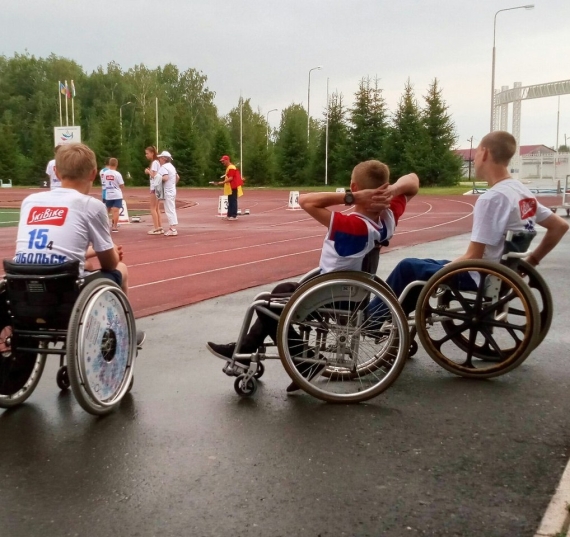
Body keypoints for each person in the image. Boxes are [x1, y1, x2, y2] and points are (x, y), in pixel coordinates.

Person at [207, 160, 419, 391]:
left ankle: (303, 358)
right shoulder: (387, 219)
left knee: (265, 305)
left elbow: (305, 200)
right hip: (351, 293)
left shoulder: (352, 226)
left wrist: (352, 198)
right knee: (281, 291)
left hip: (332, 297)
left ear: (354, 186)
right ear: (385, 186)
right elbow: (413, 180)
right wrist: (392, 191)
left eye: (352, 190)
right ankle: (245, 349)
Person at [378, 130, 569, 317]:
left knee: (408, 267)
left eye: (476, 152)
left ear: (484, 152)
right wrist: (531, 262)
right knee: (424, 266)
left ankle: (373, 319)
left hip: (481, 276)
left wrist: (440, 274)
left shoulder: (492, 199)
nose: (475, 158)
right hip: (501, 273)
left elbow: (473, 256)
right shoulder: (522, 192)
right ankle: (393, 321)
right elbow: (559, 226)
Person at [13, 143, 144, 344]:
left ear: (55, 172)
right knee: (121, 268)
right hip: (66, 292)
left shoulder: (30, 201)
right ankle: (123, 332)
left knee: (89, 265)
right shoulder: (91, 206)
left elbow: (54, 249)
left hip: (23, 286)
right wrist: (114, 255)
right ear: (93, 174)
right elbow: (109, 264)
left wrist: (89, 253)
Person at [157, 150, 179, 236]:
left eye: (160, 158)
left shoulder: (164, 167)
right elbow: (177, 177)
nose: (159, 159)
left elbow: (165, 178)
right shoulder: (172, 167)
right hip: (172, 189)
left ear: (164, 159)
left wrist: (157, 178)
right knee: (171, 208)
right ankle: (173, 227)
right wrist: (173, 185)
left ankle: (172, 229)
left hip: (168, 190)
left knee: (169, 209)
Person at [216, 155, 243, 220]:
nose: (222, 162)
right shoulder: (229, 167)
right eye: (222, 161)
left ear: (227, 160)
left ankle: (233, 215)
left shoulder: (231, 167)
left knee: (233, 201)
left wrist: (222, 182)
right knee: (230, 201)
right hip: (231, 187)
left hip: (233, 186)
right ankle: (229, 215)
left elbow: (231, 178)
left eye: (223, 161)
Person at [144, 146, 163, 235]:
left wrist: (148, 171)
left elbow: (154, 175)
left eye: (147, 153)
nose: (146, 155)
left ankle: (156, 228)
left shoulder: (155, 162)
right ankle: (159, 226)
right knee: (157, 208)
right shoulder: (157, 162)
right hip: (158, 187)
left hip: (154, 187)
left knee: (152, 208)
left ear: (152, 153)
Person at [103, 158, 125, 233]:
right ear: (116, 164)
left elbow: (104, 183)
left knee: (107, 210)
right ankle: (114, 226)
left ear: (109, 164)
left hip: (108, 194)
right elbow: (121, 185)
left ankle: (104, 225)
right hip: (117, 194)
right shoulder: (117, 174)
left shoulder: (105, 174)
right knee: (116, 211)